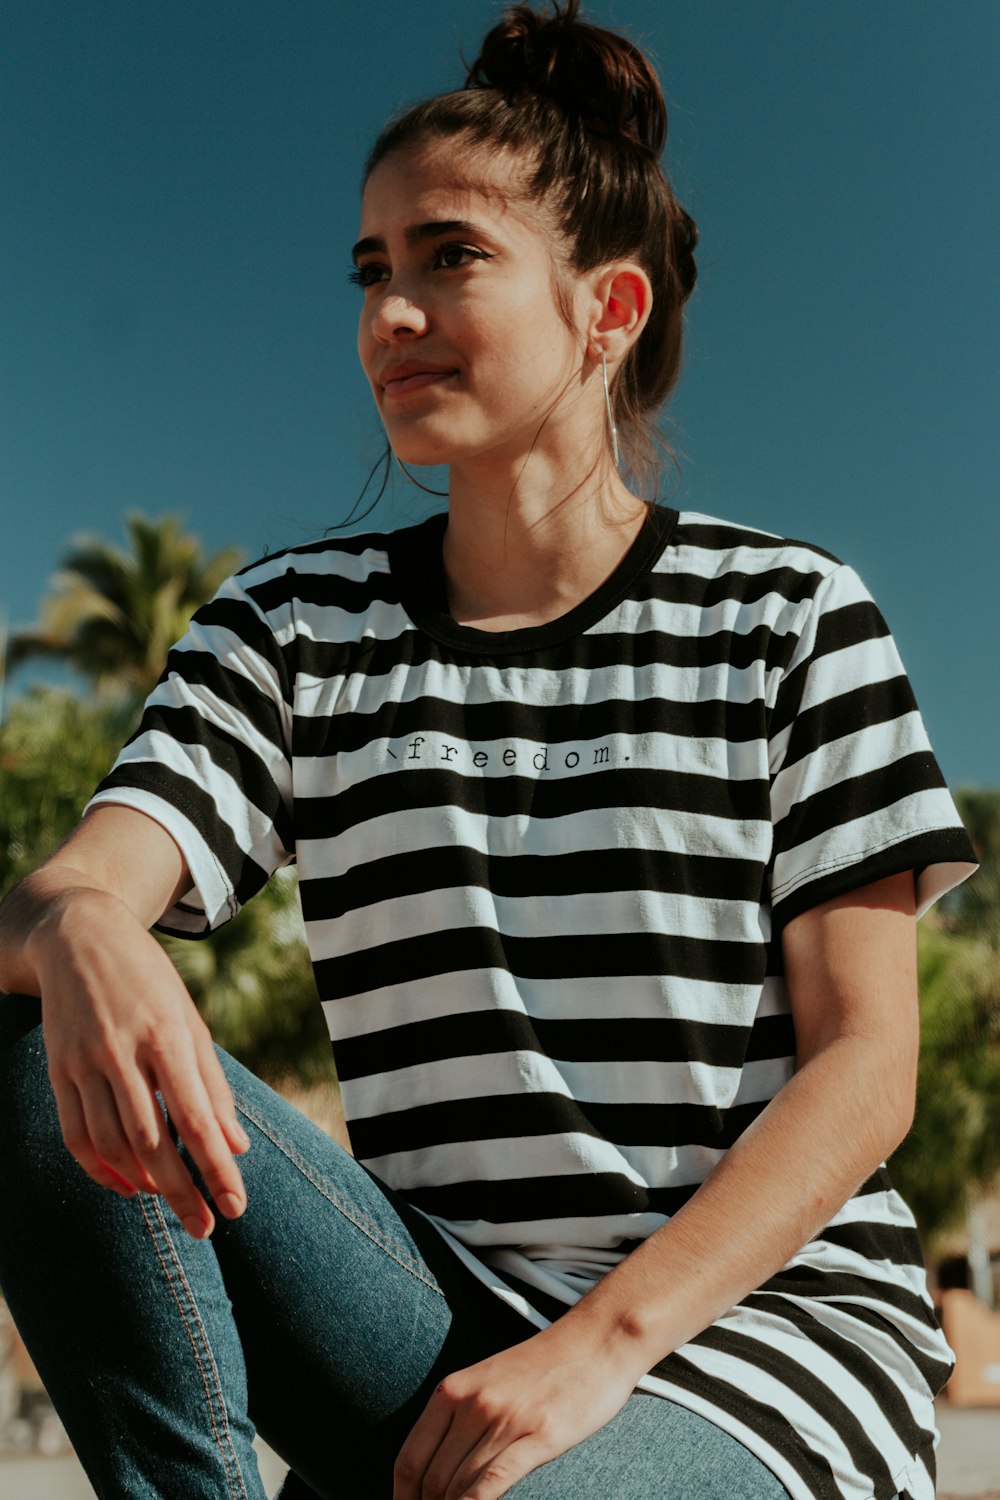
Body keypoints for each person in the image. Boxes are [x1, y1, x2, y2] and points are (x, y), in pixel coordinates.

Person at [0, 4, 978, 1498]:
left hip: (751, 1336)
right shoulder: (295, 627)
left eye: (449, 256)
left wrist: (597, 1348)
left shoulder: (790, 617)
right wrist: (78, 928)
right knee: (28, 1033)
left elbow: (868, 1069)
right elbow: (51, 896)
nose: (388, 314)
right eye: (370, 271)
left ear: (610, 309)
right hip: (429, 1319)